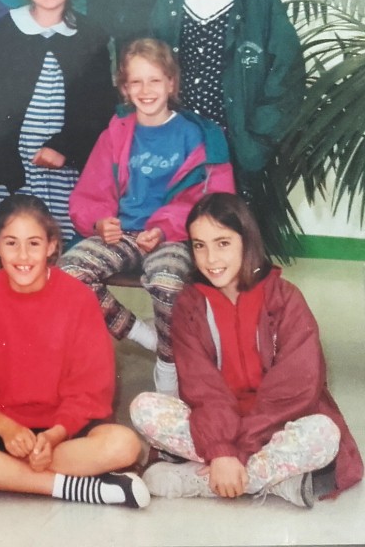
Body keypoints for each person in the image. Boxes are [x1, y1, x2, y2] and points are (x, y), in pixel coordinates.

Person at [131, 193, 363, 506]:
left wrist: (232, 452)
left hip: (276, 423)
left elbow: (296, 389)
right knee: (144, 407)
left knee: (323, 433)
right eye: (200, 245)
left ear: (246, 241)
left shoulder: (285, 298)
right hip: (214, 423)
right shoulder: (190, 303)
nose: (211, 259)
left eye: (223, 243)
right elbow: (203, 390)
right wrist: (222, 448)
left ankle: (201, 479)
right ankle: (278, 483)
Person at [0, 194, 149, 508]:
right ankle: (74, 488)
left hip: (62, 435)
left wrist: (55, 435)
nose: (23, 255)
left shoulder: (79, 299)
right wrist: (6, 428)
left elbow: (91, 390)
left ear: (52, 245)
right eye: (11, 243)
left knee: (124, 445)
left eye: (34, 243)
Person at [60, 38, 235, 396]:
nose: (146, 90)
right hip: (123, 233)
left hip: (176, 235)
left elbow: (211, 201)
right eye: (136, 82)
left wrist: (163, 227)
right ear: (124, 88)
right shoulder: (116, 132)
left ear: (172, 83)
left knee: (166, 281)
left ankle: (168, 365)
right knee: (69, 273)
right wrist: (99, 221)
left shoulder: (199, 135)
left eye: (155, 80)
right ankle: (149, 338)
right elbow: (89, 192)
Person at [149, 0, 304, 198]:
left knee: (234, 232)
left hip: (236, 143)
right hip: (181, 139)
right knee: (179, 227)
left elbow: (287, 71)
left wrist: (258, 136)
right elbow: (154, 60)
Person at [0, 0, 114, 241]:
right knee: (19, 240)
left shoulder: (90, 35)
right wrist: (3, 163)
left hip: (67, 167)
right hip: (15, 166)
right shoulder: (6, 30)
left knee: (65, 250)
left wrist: (65, 148)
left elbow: (99, 108)